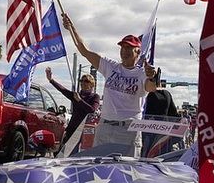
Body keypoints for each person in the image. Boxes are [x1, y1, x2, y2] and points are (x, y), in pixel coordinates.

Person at [61, 13, 157, 156]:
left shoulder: (142, 74)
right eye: (122, 47)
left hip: (128, 131)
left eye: (128, 48)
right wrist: (72, 29)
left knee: (126, 173)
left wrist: (152, 77)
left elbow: (152, 87)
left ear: (138, 52)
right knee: (99, 171)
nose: (124, 51)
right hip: (104, 127)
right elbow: (85, 51)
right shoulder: (111, 66)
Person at [45, 67, 100, 154]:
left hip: (86, 129)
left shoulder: (95, 97)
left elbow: (92, 110)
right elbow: (63, 90)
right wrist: (51, 80)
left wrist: (80, 100)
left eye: (86, 81)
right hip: (73, 128)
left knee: (86, 153)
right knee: (70, 152)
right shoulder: (75, 95)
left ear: (92, 84)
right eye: (81, 81)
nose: (83, 83)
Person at [142, 69, 181, 157]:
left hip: (146, 132)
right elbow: (174, 115)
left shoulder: (145, 95)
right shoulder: (166, 94)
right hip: (164, 134)